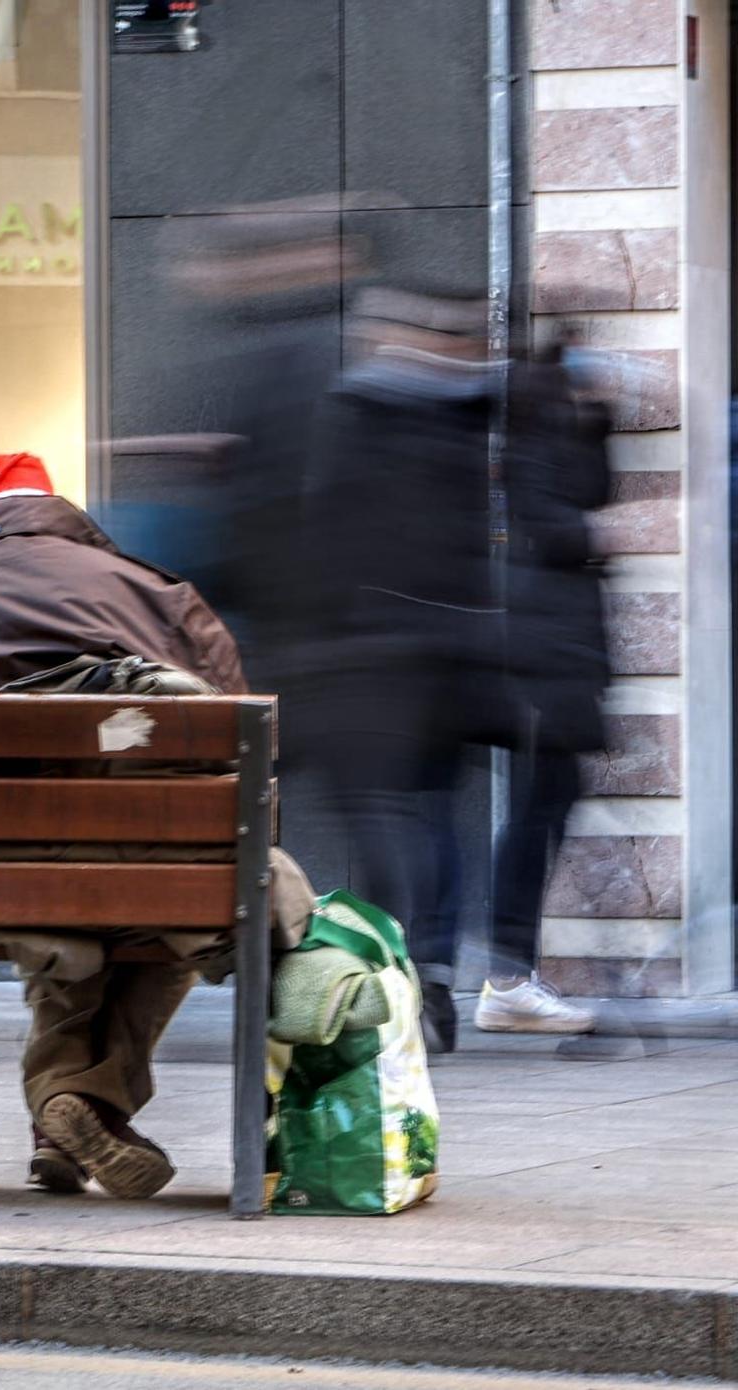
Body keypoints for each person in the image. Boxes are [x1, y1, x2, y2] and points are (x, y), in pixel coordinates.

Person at [0, 452, 310, 1199]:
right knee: (168, 888)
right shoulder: (155, 593)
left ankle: (65, 1116)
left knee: (54, 905)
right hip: (150, 871)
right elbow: (244, 769)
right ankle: (86, 1105)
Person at [303, 290, 510, 1053]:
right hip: (452, 656)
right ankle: (435, 976)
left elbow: (334, 534)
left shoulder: (369, 411)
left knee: (393, 816)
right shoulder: (468, 413)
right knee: (431, 815)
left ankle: (402, 979)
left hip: (383, 652)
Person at [476, 347, 611, 1035]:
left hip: (563, 648)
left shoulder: (556, 437)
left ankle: (509, 974)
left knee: (549, 804)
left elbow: (590, 490)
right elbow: (558, 526)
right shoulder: (528, 448)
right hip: (545, 649)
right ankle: (505, 977)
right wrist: (606, 531)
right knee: (536, 811)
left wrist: (594, 420)